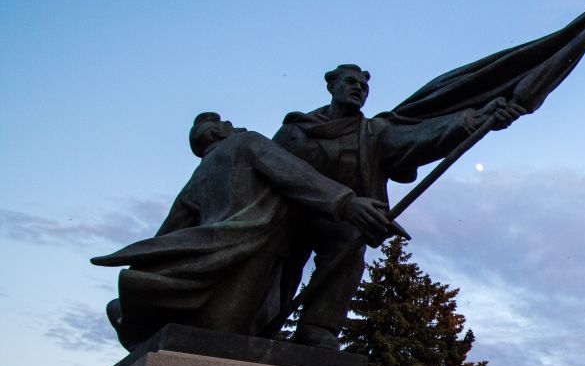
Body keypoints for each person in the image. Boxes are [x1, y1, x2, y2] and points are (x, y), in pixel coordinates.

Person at [93, 113, 396, 350]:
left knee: (224, 335)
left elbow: (164, 239)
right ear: (216, 132)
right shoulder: (246, 143)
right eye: (227, 124)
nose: (235, 126)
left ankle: (129, 315)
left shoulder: (196, 180)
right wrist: (348, 203)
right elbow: (295, 175)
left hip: (211, 274)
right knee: (237, 336)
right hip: (252, 266)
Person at [273, 64, 524, 349]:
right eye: (351, 82)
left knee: (347, 242)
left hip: (338, 219)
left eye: (363, 86)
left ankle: (317, 328)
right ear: (332, 86)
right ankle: (259, 321)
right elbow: (273, 172)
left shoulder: (372, 132)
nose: (358, 89)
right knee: (276, 275)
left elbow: (420, 136)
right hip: (284, 215)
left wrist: (475, 119)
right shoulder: (296, 131)